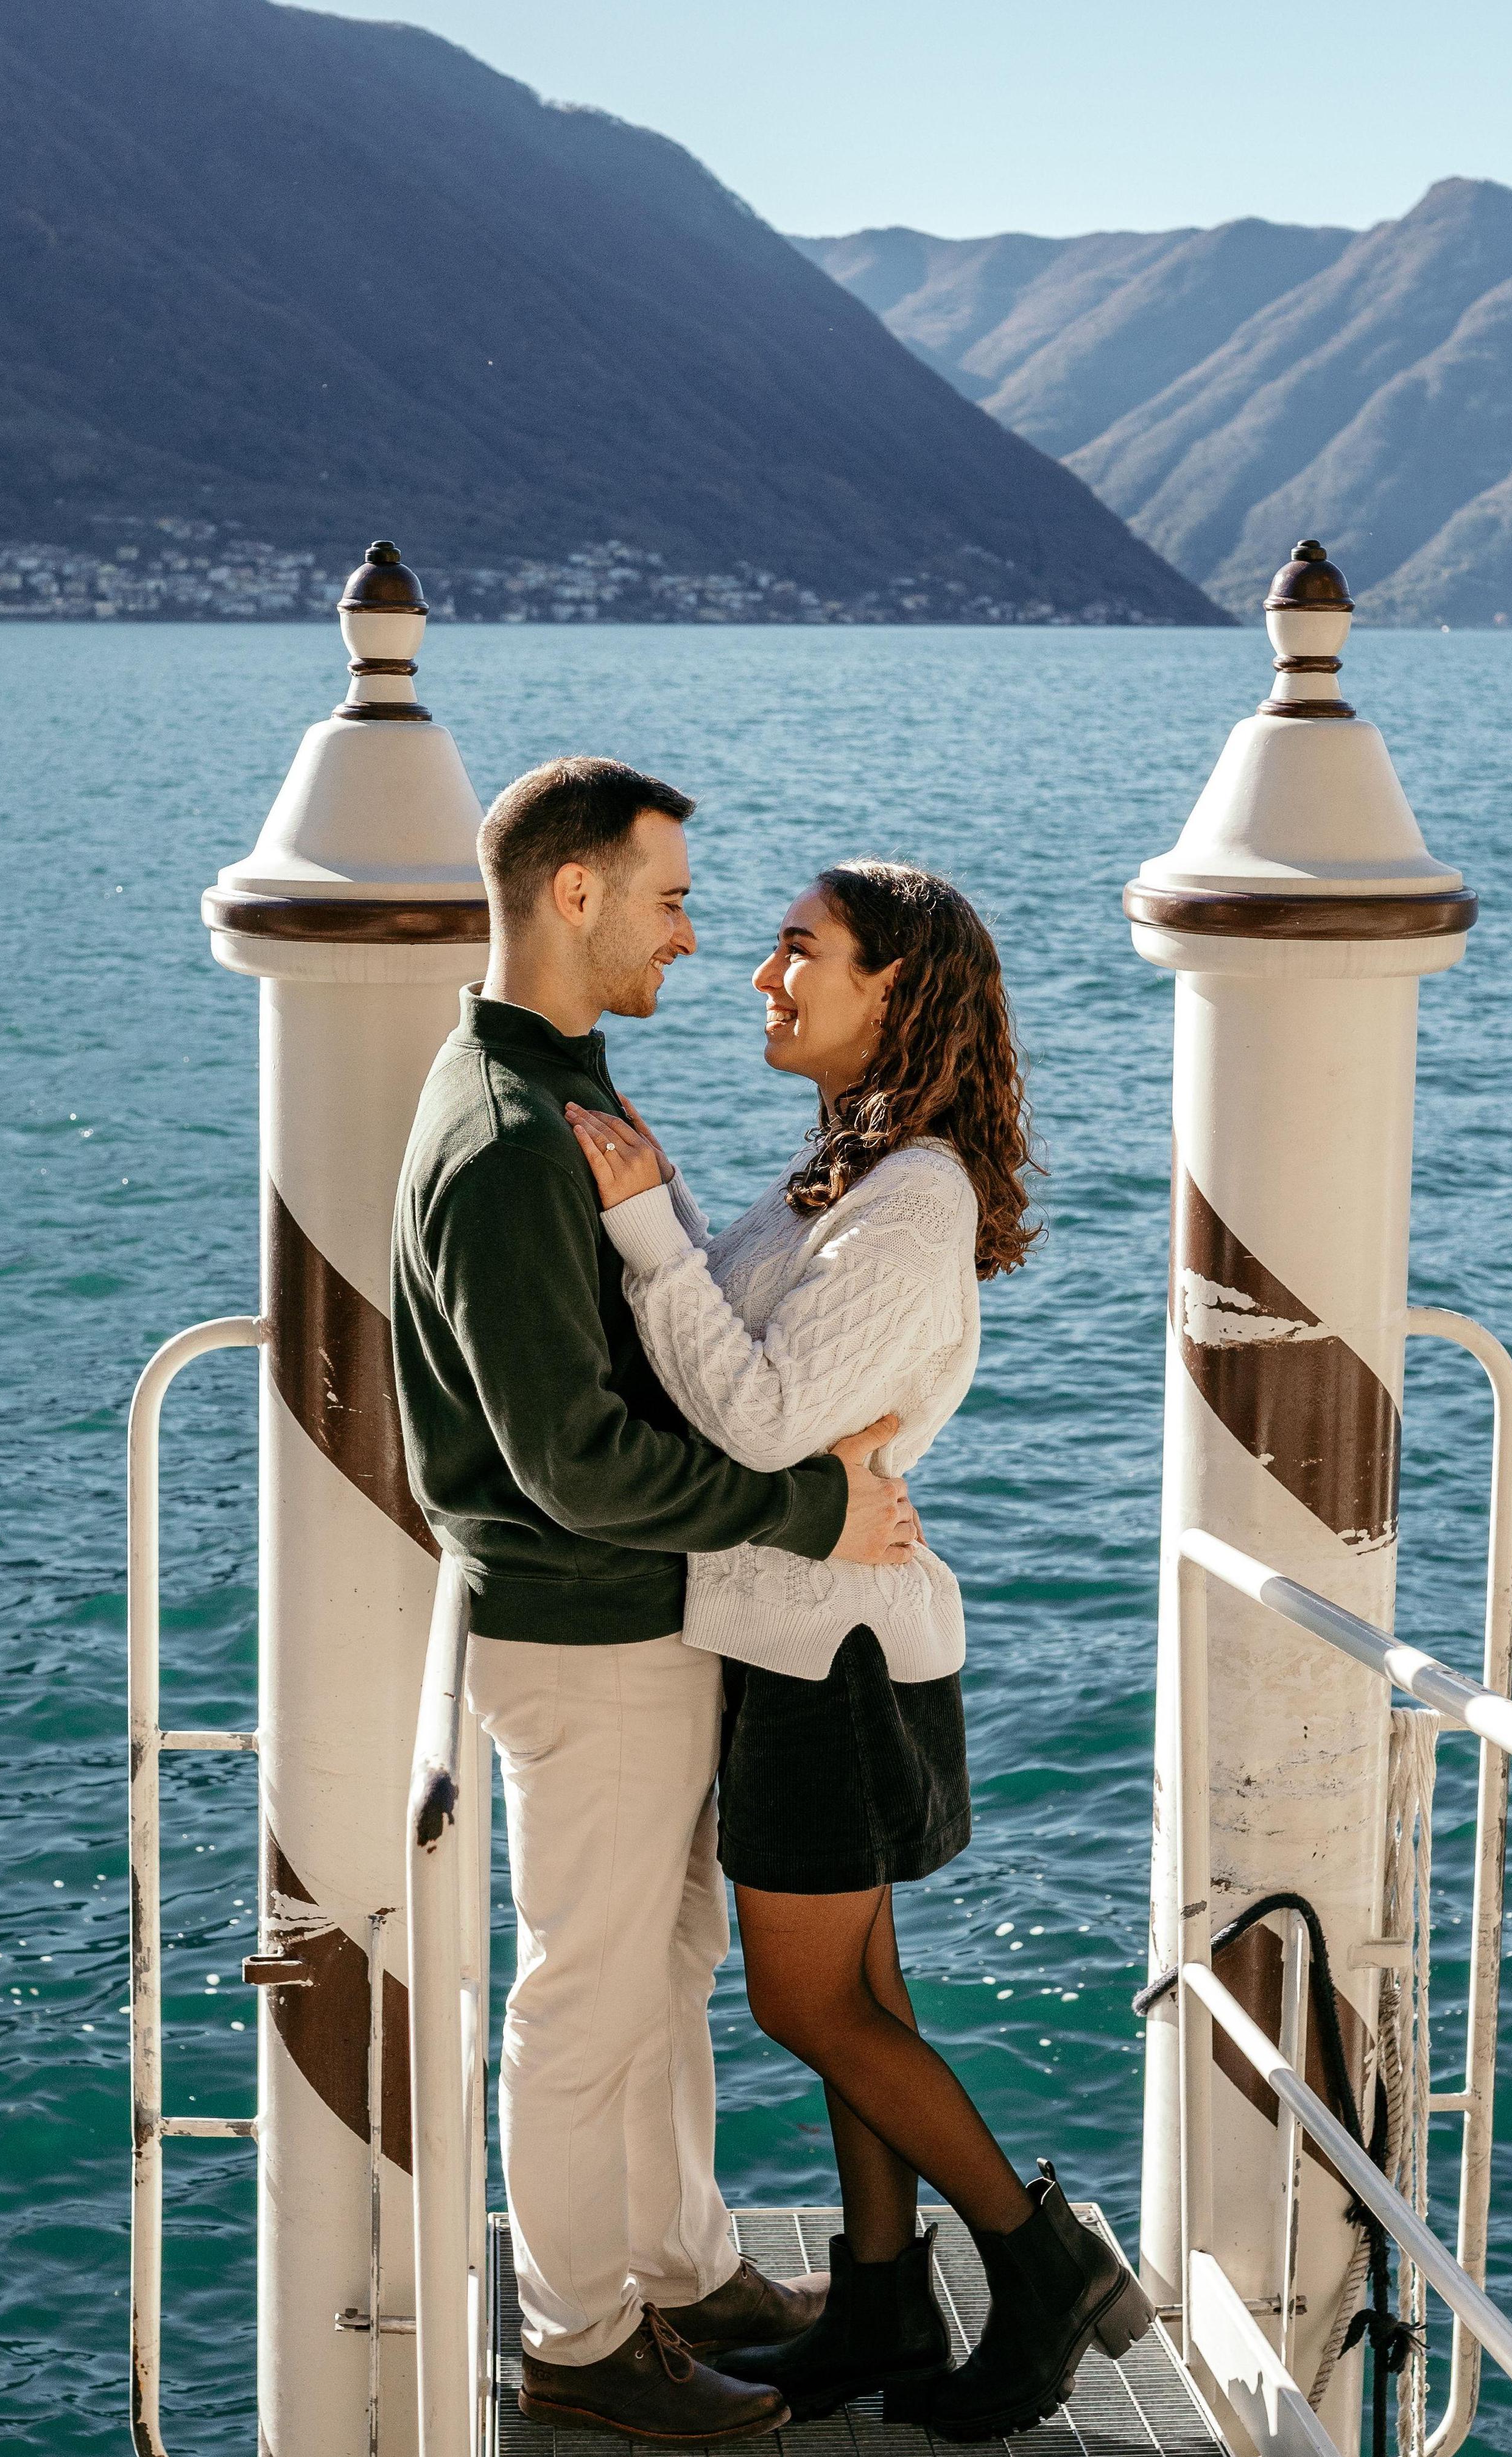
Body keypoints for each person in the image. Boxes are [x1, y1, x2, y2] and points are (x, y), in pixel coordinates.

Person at [564, 860, 1152, 2440]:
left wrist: (639, 1227)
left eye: (798, 949)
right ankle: (886, 2303)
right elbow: (739, 1380)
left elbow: (755, 1414)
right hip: (801, 1636)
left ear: (896, 990)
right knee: (860, 1992)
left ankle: (1046, 2268)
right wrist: (657, 1217)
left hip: (830, 1662)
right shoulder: (849, 1171)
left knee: (810, 2006)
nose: (764, 975)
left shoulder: (914, 1202)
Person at [390, 758, 923, 2444]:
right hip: (581, 1623)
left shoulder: (558, 1086)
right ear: (573, 894)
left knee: (667, 1964)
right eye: (673, 896)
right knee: (585, 1990)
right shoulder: (500, 1139)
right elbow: (569, 1459)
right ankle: (575, 2333)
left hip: (645, 1617)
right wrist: (811, 1503)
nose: (693, 937)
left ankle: (678, 2267)